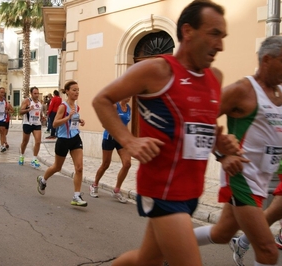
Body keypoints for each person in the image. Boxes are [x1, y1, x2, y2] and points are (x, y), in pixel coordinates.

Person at [92, 1, 241, 265]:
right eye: (214, 34)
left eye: (223, 36)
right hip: (162, 191)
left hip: (191, 192)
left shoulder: (214, 77)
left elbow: (201, 127)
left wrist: (222, 149)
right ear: (188, 31)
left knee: (145, 261)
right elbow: (102, 100)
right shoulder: (157, 70)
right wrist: (128, 140)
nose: (221, 46)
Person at [193, 35, 282, 266]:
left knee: (223, 233)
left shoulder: (279, 92)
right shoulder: (243, 89)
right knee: (268, 251)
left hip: (262, 179)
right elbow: (203, 119)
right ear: (267, 60)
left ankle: (168, 248)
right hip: (242, 177)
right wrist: (223, 155)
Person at [37, 80, 87, 207]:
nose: (77, 92)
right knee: (57, 167)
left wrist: (79, 120)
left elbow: (72, 122)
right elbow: (55, 124)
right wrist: (68, 117)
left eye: (78, 90)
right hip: (63, 140)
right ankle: (43, 180)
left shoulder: (77, 107)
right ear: (68, 92)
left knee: (79, 167)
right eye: (74, 90)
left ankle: (76, 196)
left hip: (75, 138)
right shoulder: (62, 107)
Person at [90, 97, 132, 203]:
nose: (129, 97)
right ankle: (94, 185)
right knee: (106, 164)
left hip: (121, 140)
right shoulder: (114, 106)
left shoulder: (129, 109)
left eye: (131, 95)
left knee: (127, 163)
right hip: (109, 137)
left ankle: (117, 190)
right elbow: (104, 121)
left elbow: (125, 125)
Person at [19, 86, 43, 168]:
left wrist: (43, 117)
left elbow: (39, 112)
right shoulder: (27, 101)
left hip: (37, 124)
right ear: (31, 94)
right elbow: (20, 111)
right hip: (27, 123)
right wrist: (28, 109)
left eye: (38, 93)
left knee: (38, 141)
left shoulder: (40, 102)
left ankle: (34, 159)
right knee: (25, 142)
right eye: (35, 93)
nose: (37, 95)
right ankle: (22, 155)